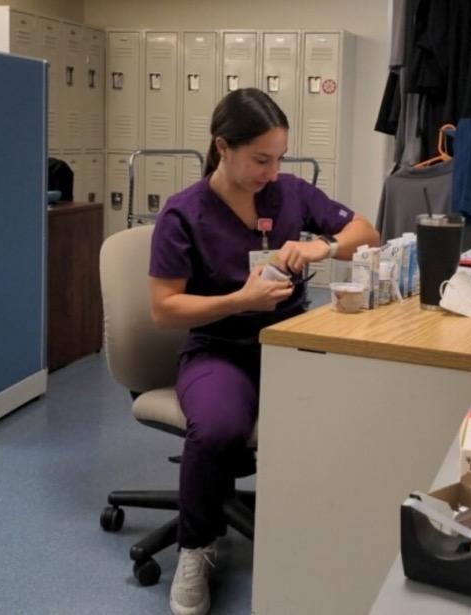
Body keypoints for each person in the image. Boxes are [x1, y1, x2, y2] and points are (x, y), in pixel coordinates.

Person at [149, 87, 379, 615]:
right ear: (222, 147)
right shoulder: (183, 213)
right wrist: (238, 299)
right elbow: (163, 309)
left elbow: (367, 231)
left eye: (278, 158)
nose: (272, 172)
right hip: (218, 349)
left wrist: (325, 246)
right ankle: (196, 547)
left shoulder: (291, 193)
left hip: (290, 345)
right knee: (218, 428)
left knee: (346, 415)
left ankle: (318, 537)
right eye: (260, 159)